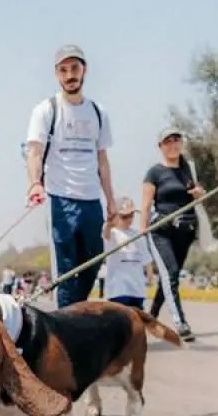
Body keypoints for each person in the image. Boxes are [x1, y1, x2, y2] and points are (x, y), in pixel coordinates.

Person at [25, 45, 117, 308]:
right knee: (65, 271)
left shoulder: (98, 112)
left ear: (84, 70)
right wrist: (34, 183)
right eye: (63, 70)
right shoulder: (46, 110)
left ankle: (74, 314)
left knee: (93, 260)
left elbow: (103, 160)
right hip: (60, 200)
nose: (70, 75)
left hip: (91, 201)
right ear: (57, 75)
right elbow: (34, 152)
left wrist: (110, 199)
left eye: (74, 68)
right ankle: (66, 331)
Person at [140, 127, 203, 341]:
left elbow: (197, 197)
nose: (173, 144)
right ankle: (180, 322)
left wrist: (198, 193)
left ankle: (150, 317)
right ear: (160, 147)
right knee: (170, 273)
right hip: (161, 230)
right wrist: (143, 229)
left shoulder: (188, 170)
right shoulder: (154, 172)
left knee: (171, 276)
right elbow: (147, 203)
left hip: (185, 230)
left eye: (176, 140)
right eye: (168, 141)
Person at [102, 197, 154, 309]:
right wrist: (109, 224)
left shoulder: (137, 234)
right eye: (124, 216)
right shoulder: (112, 232)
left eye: (131, 215)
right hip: (118, 289)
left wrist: (150, 274)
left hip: (137, 288)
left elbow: (146, 257)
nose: (129, 219)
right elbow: (106, 235)